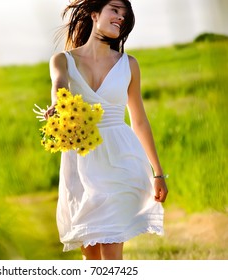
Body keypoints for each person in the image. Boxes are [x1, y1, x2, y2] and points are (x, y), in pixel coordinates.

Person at [45, 0, 168, 260]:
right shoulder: (62, 60)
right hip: (81, 164)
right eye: (115, 10)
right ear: (94, 14)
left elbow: (140, 121)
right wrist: (58, 104)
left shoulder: (129, 64)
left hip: (121, 159)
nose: (121, 17)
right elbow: (59, 85)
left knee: (112, 253)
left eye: (126, 15)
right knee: (91, 257)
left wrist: (158, 173)